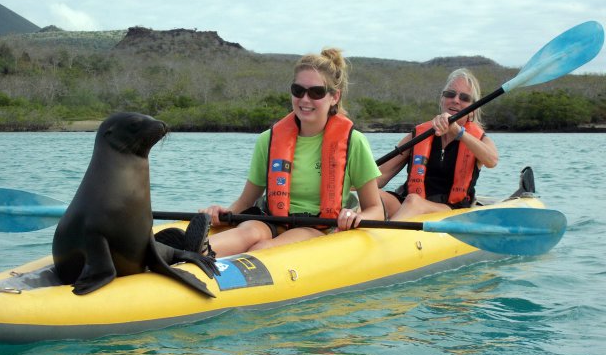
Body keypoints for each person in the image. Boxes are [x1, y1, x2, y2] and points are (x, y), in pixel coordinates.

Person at [199, 48, 384, 257]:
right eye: (298, 90)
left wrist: (354, 216)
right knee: (247, 234)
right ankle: (188, 251)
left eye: (316, 92)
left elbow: (375, 208)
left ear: (334, 97)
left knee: (262, 249)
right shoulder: (267, 140)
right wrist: (222, 212)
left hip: (317, 228)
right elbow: (245, 202)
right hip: (270, 220)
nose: (305, 99)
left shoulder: (354, 142)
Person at [378, 68, 498, 221]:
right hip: (407, 203)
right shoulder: (419, 135)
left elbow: (492, 161)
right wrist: (349, 183)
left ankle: (385, 238)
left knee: (414, 202)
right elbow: (381, 176)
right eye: (450, 94)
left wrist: (459, 133)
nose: (455, 100)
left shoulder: (479, 140)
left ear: (472, 111)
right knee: (373, 196)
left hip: (449, 209)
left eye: (464, 98)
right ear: (442, 100)